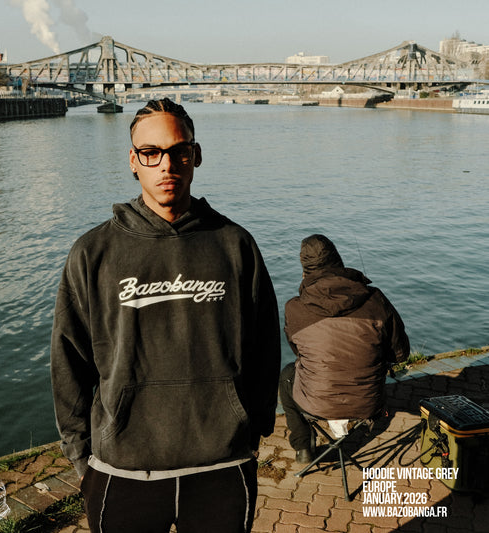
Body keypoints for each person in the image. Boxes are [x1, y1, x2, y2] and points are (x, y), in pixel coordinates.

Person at [50, 98, 281, 532]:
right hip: (121, 471)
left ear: (196, 155)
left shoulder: (235, 245)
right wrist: (81, 456)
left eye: (179, 151)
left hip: (222, 467)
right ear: (133, 161)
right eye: (151, 153)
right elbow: (69, 362)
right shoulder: (92, 253)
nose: (166, 165)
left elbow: (265, 347)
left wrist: (253, 429)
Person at [279, 234, 409, 463]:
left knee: (287, 374)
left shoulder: (294, 308)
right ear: (338, 262)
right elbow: (400, 353)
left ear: (305, 272)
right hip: (369, 403)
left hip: (315, 404)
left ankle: (303, 447)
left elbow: (300, 353)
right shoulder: (375, 299)